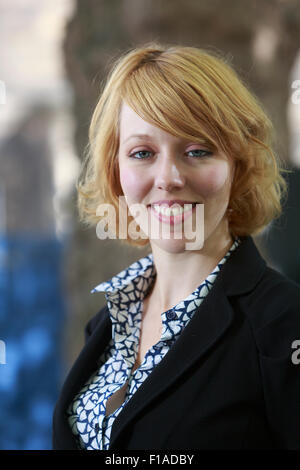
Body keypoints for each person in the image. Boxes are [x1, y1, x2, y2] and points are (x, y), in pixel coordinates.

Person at [52, 43, 300, 450]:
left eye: (197, 151)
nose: (167, 177)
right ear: (116, 172)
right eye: (142, 153)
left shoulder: (285, 325)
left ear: (238, 166)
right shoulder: (109, 320)